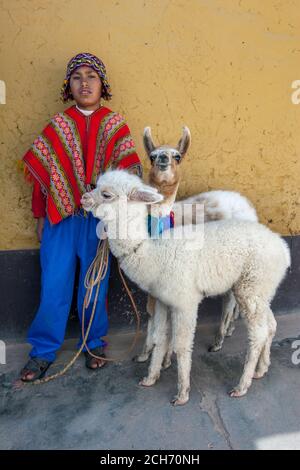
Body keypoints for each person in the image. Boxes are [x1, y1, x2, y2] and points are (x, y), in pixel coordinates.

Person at [20, 52, 142, 382]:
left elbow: (128, 175)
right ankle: (43, 352)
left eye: (91, 76)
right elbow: (43, 177)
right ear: (68, 86)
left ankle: (94, 344)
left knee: (95, 284)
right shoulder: (57, 126)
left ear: (103, 84)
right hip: (61, 219)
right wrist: (39, 215)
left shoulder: (115, 126)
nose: (84, 82)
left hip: (98, 222)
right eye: (77, 77)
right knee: (54, 284)